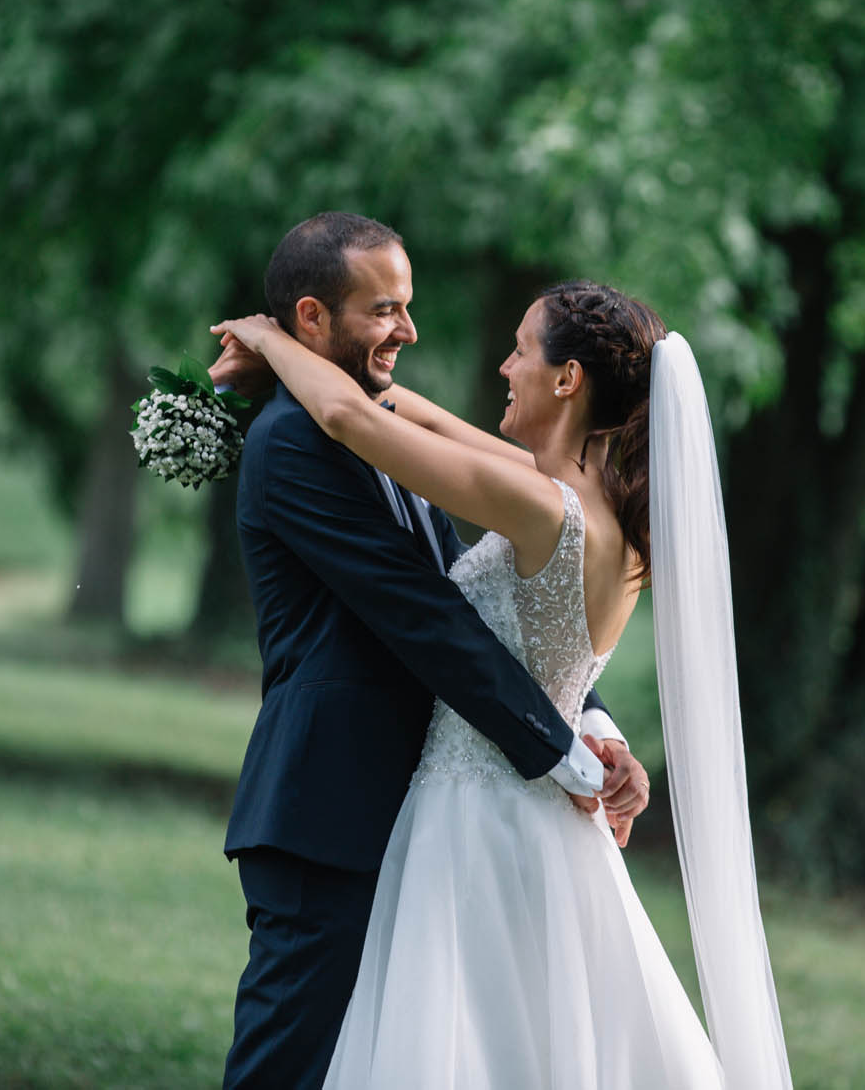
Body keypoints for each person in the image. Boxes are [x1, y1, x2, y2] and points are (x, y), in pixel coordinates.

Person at [213, 253, 792, 1086]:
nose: (503, 363)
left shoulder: (537, 504)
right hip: (545, 823)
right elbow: (413, 413)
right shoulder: (588, 509)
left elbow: (351, 418)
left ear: (567, 379)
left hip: (474, 814)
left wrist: (268, 337)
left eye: (521, 349)